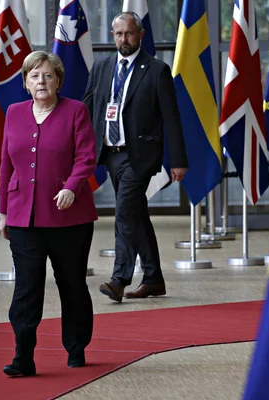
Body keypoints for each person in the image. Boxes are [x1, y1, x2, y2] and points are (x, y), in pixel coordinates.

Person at [0, 51, 98, 376]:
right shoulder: (13, 113)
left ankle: (76, 346)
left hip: (69, 218)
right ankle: (23, 357)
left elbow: (86, 157)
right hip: (23, 218)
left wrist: (71, 186)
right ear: (26, 83)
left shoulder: (75, 111)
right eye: (35, 76)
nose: (42, 81)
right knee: (26, 289)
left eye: (48, 75)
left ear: (58, 80)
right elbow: (6, 165)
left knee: (71, 285)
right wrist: (3, 212)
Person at [82, 12, 188, 303]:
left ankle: (119, 279)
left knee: (125, 213)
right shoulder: (102, 69)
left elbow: (172, 118)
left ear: (140, 35)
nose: (123, 39)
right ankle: (153, 278)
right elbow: (86, 108)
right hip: (111, 154)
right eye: (118, 34)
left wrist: (177, 159)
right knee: (137, 215)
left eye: (129, 34)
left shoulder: (156, 70)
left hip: (140, 155)